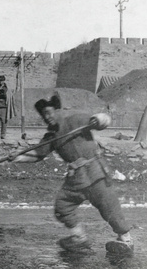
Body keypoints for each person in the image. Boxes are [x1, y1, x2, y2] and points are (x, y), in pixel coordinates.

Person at [8, 94, 134, 255]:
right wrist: (17, 157)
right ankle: (79, 238)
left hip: (96, 174)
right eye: (44, 115)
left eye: (49, 112)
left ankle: (126, 239)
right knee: (62, 207)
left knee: (109, 207)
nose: (47, 117)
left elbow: (103, 121)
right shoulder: (51, 136)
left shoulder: (76, 120)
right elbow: (38, 155)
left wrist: (100, 119)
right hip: (76, 179)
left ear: (58, 109)